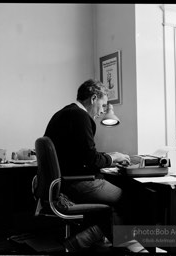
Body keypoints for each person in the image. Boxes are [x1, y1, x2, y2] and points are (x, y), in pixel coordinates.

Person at [44, 79, 131, 251]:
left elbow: (80, 154)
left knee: (111, 204)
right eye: (103, 105)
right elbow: (91, 160)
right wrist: (114, 158)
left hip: (62, 183)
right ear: (93, 99)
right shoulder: (81, 116)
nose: (102, 111)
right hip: (76, 183)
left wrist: (108, 156)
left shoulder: (62, 113)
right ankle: (82, 241)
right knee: (128, 198)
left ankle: (98, 240)